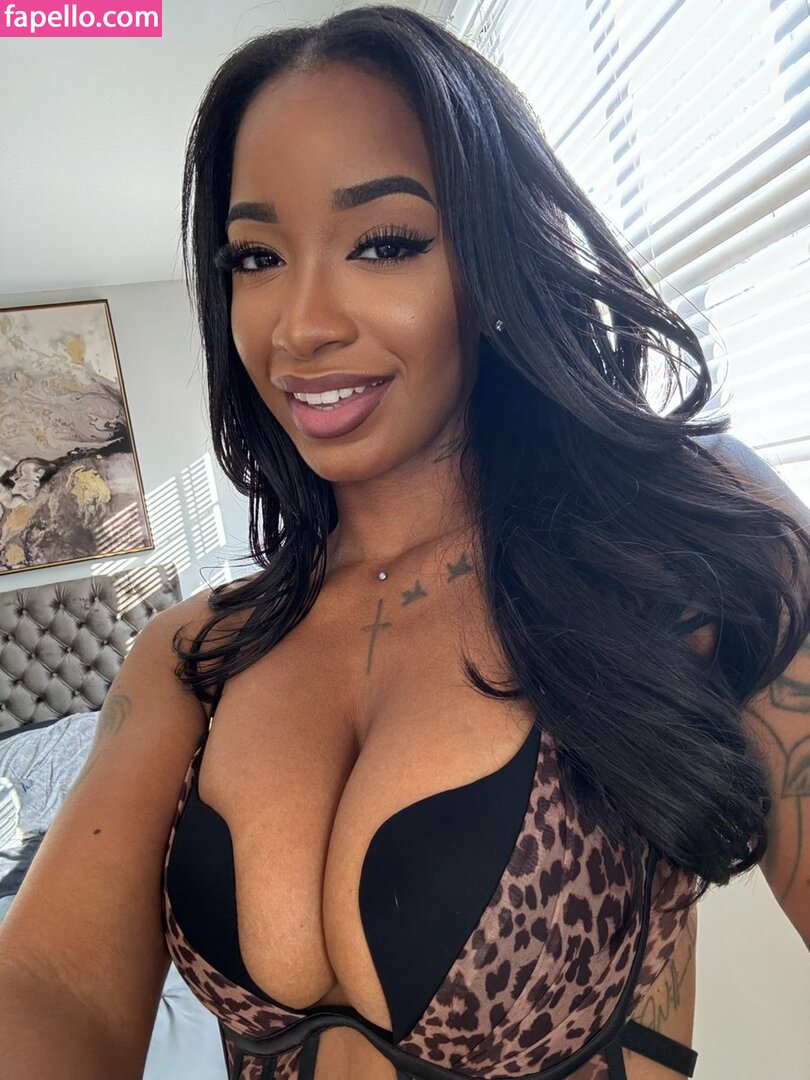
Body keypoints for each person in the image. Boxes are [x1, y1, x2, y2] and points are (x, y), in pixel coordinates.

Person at [1, 6, 809, 1079]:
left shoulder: (683, 546)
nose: (301, 325)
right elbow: (51, 983)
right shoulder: (194, 656)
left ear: (496, 257)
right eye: (256, 256)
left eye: (385, 243)